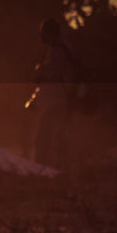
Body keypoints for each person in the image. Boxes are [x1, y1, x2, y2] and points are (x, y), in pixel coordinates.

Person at [31, 18, 77, 168]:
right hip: (61, 100)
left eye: (42, 33)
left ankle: (41, 170)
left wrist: (40, 72)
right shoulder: (63, 47)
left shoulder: (58, 50)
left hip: (58, 101)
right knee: (56, 137)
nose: (40, 36)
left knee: (43, 138)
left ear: (49, 33)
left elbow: (53, 75)